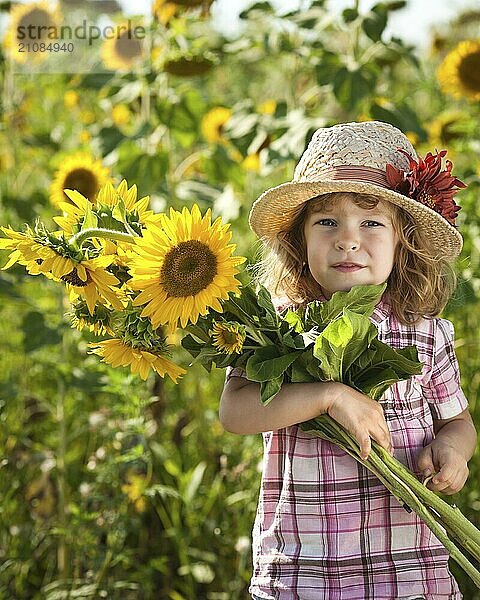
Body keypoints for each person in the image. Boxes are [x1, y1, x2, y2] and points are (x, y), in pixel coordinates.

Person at [219, 121, 477, 599]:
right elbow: (235, 412)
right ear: (299, 240)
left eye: (372, 222)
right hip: (304, 570)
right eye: (326, 222)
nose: (348, 239)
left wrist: (454, 453)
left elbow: (458, 423)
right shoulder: (277, 325)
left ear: (405, 241)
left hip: (409, 569)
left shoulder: (423, 330)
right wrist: (329, 396)